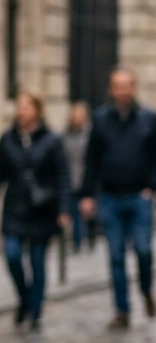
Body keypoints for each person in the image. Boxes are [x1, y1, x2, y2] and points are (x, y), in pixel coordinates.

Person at [80, 68, 156, 328]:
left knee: (143, 250)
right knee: (116, 256)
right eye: (117, 86)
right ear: (111, 90)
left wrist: (153, 188)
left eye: (126, 86)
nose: (122, 91)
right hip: (110, 197)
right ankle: (122, 310)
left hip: (140, 196)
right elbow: (91, 159)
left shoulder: (149, 118)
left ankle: (146, 289)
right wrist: (87, 195)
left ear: (134, 88)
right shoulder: (100, 119)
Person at [0, 92, 70, 329]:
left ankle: (35, 311)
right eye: (19, 107)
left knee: (38, 261)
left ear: (38, 111)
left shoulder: (51, 140)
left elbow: (62, 176)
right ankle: (24, 298)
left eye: (27, 107)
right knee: (12, 256)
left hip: (42, 209)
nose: (22, 111)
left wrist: (63, 209)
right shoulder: (8, 139)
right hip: (15, 208)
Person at [61, 102, 92, 252]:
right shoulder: (65, 136)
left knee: (86, 212)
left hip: (86, 179)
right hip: (70, 179)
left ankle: (89, 235)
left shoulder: (91, 135)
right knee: (74, 212)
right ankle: (77, 241)